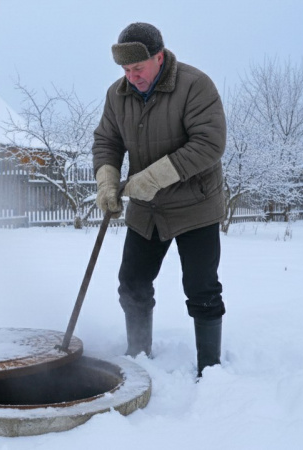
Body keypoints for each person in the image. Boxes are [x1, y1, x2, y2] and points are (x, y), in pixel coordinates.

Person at [92, 22, 227, 377]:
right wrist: (107, 179)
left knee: (201, 288)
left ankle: (210, 369)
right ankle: (138, 355)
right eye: (125, 69)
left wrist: (153, 178)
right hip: (147, 210)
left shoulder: (195, 86)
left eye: (138, 68)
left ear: (160, 57)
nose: (131, 76)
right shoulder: (117, 95)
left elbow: (209, 144)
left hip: (195, 205)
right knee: (132, 283)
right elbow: (107, 141)